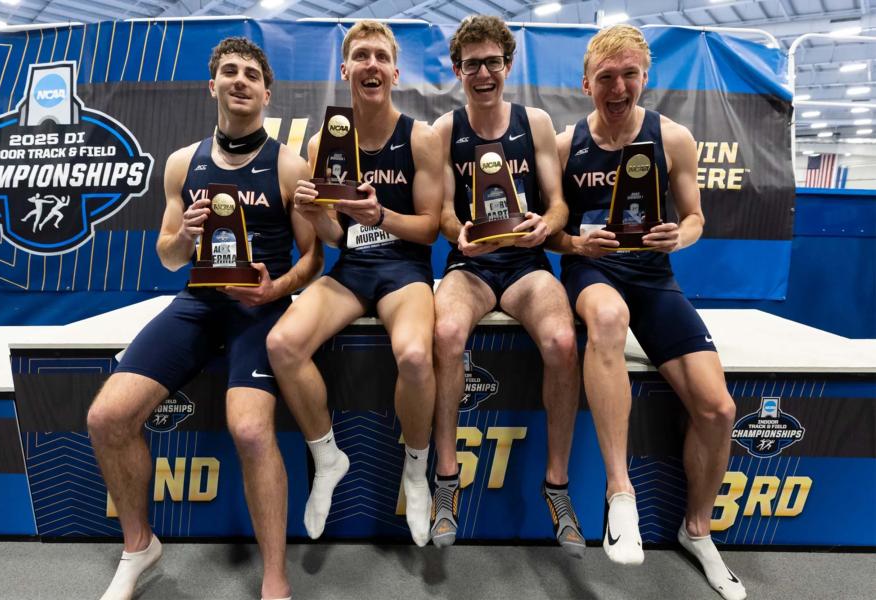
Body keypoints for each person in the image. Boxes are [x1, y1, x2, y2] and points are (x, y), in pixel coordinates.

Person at [87, 37, 319, 600]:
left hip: (259, 308)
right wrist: (185, 234)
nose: (240, 81)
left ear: (267, 92)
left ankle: (274, 579)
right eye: (229, 72)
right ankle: (139, 546)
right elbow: (167, 255)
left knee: (249, 429)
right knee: (106, 418)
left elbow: (314, 259)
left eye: (251, 74)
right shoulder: (180, 164)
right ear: (211, 85)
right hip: (198, 302)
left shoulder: (289, 164)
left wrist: (276, 290)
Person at [551, 24, 745, 600]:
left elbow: (695, 218)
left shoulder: (673, 137)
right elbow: (548, 234)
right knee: (607, 319)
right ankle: (620, 496)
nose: (618, 87)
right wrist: (575, 245)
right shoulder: (565, 146)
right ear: (587, 84)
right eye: (606, 77)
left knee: (718, 408)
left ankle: (697, 530)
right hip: (592, 272)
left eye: (629, 74)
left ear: (644, 77)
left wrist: (675, 239)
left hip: (654, 278)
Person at [266, 21, 443, 547]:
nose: (370, 64)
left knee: (414, 356)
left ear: (394, 70)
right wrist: (313, 211)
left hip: (405, 270)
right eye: (360, 56)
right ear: (345, 70)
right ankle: (327, 457)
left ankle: (416, 468)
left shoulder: (422, 137)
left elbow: (431, 226)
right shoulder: (326, 140)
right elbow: (336, 238)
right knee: (282, 343)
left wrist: (380, 213)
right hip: (353, 270)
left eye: (379, 56)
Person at [429, 15, 584, 557]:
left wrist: (550, 222)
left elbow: (559, 202)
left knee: (564, 343)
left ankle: (557, 487)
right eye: (472, 64)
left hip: (525, 264)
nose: (484, 73)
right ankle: (445, 483)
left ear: (508, 65)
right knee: (446, 333)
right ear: (457, 71)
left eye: (493, 62)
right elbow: (445, 214)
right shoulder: (446, 131)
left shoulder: (535, 122)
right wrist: (460, 234)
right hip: (470, 266)